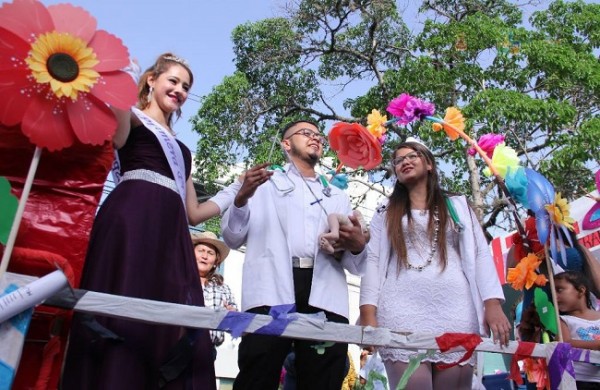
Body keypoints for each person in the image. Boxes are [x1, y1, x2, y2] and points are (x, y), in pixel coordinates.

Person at [62, 53, 240, 389]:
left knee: (166, 310)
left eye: (186, 86)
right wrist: (122, 84)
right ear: (152, 80)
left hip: (170, 230)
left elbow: (194, 213)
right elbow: (115, 138)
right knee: (124, 294)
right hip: (132, 217)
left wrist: (235, 189)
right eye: (173, 81)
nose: (179, 90)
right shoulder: (135, 119)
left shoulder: (183, 151)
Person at [221, 119, 367, 390]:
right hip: (270, 287)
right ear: (285, 144)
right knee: (258, 371)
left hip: (324, 290)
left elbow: (355, 265)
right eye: (305, 133)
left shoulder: (337, 195)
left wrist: (357, 245)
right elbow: (232, 237)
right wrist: (241, 199)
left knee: (322, 377)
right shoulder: (263, 184)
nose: (315, 138)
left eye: (318, 135)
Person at [359, 140, 510, 390]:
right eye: (398, 160)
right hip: (400, 311)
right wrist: (368, 313)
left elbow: (481, 254)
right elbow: (372, 261)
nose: (405, 161)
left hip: (457, 311)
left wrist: (492, 304)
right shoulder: (385, 211)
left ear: (429, 164)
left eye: (413, 156)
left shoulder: (458, 205)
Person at [192, 231, 238, 358]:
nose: (204, 256)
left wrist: (232, 313)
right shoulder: (180, 281)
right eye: (201, 250)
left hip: (208, 350)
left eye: (210, 253)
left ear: (216, 261)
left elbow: (235, 316)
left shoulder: (223, 288)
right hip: (178, 347)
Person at [555, 270, 600, 389]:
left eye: (559, 290)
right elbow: (565, 343)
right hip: (579, 380)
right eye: (552, 292)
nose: (555, 296)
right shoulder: (563, 320)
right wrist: (596, 344)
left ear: (581, 290)